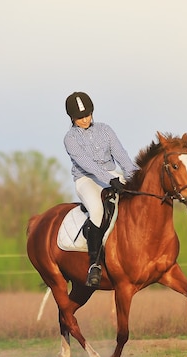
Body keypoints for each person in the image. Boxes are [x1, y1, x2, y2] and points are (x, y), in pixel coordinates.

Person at [63, 91, 138, 287]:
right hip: (86, 180)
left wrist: (136, 177)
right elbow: (87, 164)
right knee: (97, 211)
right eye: (80, 118)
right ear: (72, 118)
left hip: (112, 175)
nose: (85, 120)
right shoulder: (70, 138)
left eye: (87, 115)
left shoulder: (105, 129)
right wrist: (110, 179)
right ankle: (94, 265)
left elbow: (121, 155)